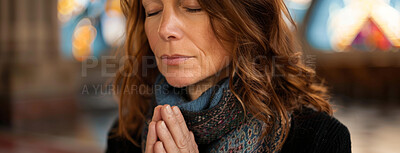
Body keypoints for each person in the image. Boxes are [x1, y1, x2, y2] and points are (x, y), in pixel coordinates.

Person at [106, 0, 352, 152]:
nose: (165, 29)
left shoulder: (318, 140)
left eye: (193, 7)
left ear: (243, 18)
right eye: (153, 10)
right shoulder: (126, 133)